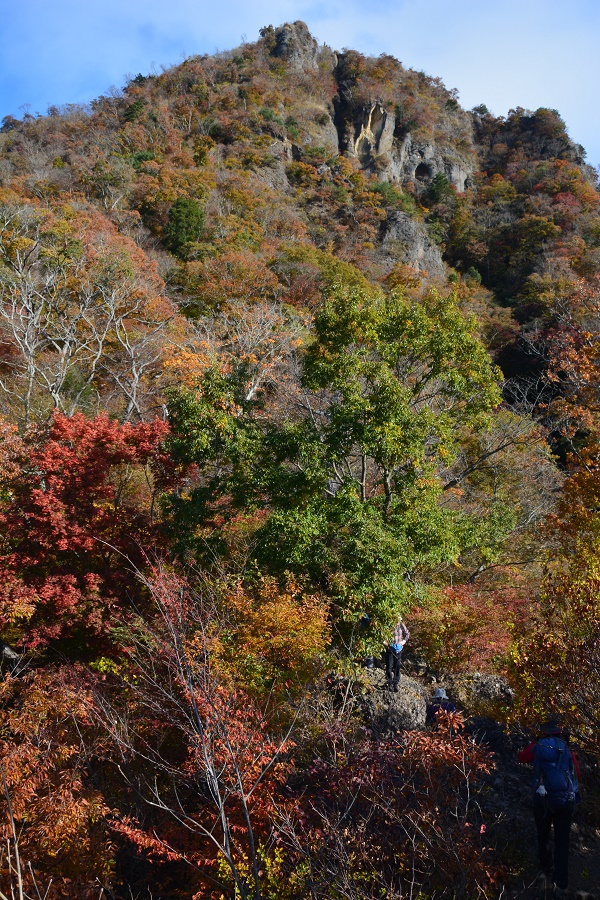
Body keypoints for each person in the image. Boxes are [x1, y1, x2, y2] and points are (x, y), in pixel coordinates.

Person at [518, 719, 580, 893]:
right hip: (565, 801)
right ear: (559, 732)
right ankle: (561, 883)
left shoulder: (537, 746)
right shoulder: (567, 749)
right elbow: (577, 773)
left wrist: (534, 742)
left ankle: (545, 872)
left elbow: (521, 757)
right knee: (562, 840)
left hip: (543, 799)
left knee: (543, 835)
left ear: (544, 732)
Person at [385, 619, 409, 692]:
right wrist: (385, 643)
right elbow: (382, 635)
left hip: (398, 649)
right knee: (389, 666)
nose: (397, 621)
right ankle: (389, 683)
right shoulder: (389, 624)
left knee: (397, 666)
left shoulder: (402, 625)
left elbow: (407, 634)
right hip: (390, 649)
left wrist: (403, 642)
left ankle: (395, 684)